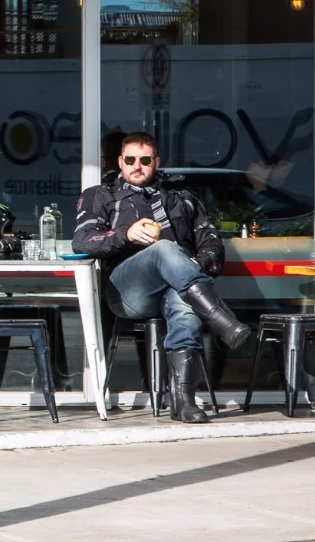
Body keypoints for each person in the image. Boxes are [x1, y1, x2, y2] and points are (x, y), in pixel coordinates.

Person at [72, 131, 250, 423]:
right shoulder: (100, 195)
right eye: (130, 159)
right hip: (127, 293)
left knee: (183, 301)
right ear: (120, 161)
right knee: (164, 249)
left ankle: (184, 401)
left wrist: (194, 262)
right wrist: (124, 235)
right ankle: (222, 319)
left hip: (175, 290)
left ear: (156, 161)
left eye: (144, 160)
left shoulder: (182, 198)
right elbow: (81, 241)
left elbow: (214, 247)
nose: (137, 166)